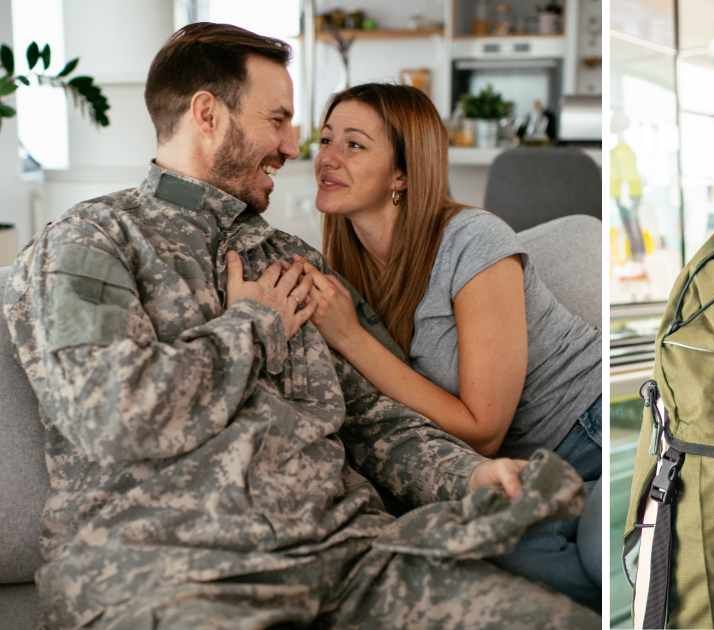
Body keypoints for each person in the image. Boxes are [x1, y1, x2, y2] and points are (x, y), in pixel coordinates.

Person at [2, 22, 597, 628]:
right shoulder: (90, 241)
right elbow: (112, 415)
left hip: (347, 558)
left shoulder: (294, 259)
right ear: (207, 115)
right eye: (278, 120)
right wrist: (253, 324)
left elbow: (378, 421)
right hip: (167, 573)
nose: (295, 147)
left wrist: (472, 474)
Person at [295, 82, 602, 607]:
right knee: (470, 556)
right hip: (510, 470)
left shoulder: (471, 241)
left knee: (593, 567)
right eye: (325, 141)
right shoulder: (347, 265)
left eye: (354, 144)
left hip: (590, 434)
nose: (328, 158)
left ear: (402, 174)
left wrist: (350, 336)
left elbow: (482, 430)